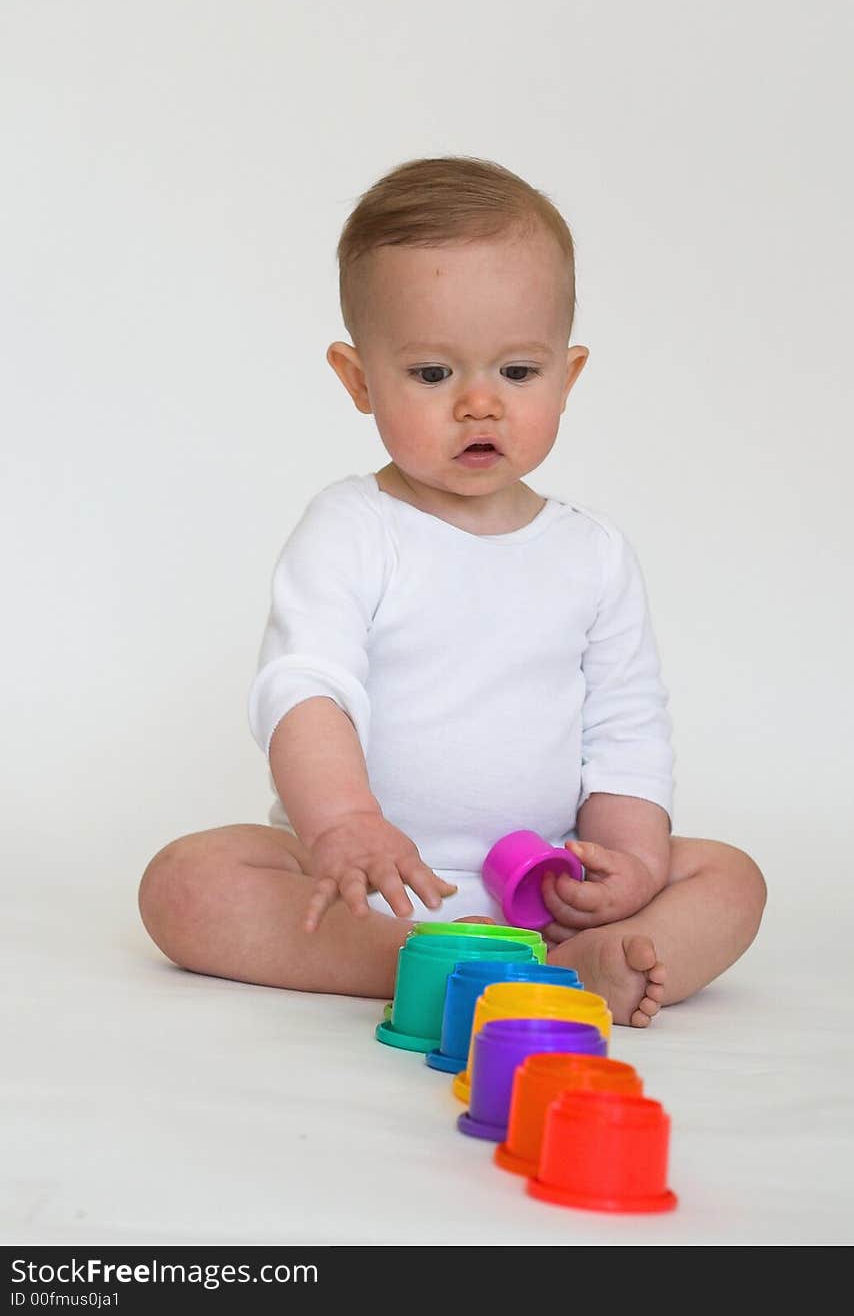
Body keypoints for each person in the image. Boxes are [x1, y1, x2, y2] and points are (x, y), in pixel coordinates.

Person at [138, 155, 766, 1027]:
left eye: (517, 372)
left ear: (568, 375)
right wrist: (345, 824)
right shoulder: (353, 526)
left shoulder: (594, 555)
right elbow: (305, 683)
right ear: (360, 380)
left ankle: (565, 962)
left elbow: (626, 720)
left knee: (728, 879)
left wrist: (630, 855)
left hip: (544, 882)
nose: (480, 403)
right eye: (433, 374)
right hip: (374, 883)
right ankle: (433, 962)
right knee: (186, 881)